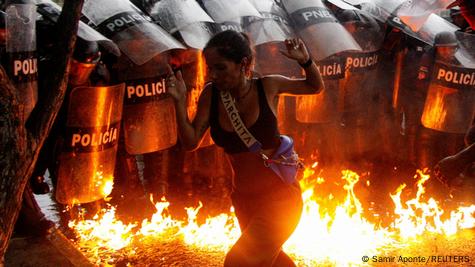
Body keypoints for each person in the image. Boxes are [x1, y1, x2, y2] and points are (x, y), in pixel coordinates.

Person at [166, 30, 324, 266]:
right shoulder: (212, 94)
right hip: (244, 200)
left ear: (243, 64)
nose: (213, 74)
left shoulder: (268, 86)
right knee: (272, 261)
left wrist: (305, 60)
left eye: (221, 68)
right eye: (210, 68)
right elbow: (190, 142)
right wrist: (179, 102)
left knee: (237, 261)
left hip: (280, 199)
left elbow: (314, 87)